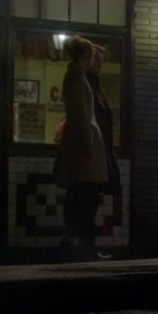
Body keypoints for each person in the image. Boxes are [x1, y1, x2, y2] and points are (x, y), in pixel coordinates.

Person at [56, 36, 109, 261]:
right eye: (92, 57)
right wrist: (89, 145)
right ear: (86, 57)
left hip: (80, 144)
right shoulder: (77, 78)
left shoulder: (76, 77)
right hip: (82, 147)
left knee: (81, 197)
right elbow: (81, 116)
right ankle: (84, 247)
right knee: (85, 198)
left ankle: (79, 244)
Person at [86, 42, 121, 259]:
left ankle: (88, 246)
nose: (99, 67)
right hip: (96, 148)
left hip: (101, 147)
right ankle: (86, 247)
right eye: (97, 62)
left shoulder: (94, 84)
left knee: (93, 198)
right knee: (88, 198)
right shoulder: (87, 84)